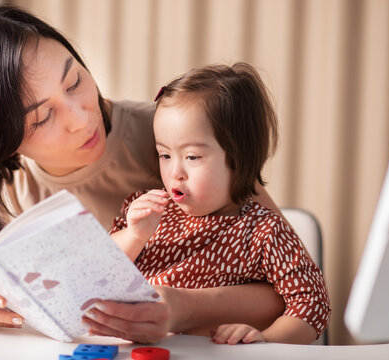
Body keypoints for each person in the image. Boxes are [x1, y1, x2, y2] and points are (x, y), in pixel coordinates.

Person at [0, 6, 287, 344]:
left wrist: (182, 308)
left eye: (74, 80)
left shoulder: (174, 140)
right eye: (43, 117)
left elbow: (290, 287)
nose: (81, 118)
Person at [110, 63, 331, 344]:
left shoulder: (263, 230)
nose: (175, 172)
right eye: (164, 155)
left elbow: (312, 303)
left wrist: (264, 340)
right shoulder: (146, 210)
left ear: (238, 161)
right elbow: (99, 272)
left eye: (192, 157)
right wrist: (134, 235)